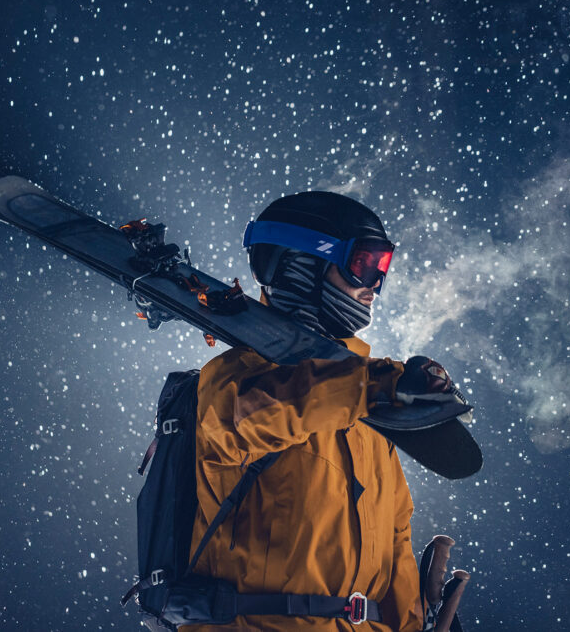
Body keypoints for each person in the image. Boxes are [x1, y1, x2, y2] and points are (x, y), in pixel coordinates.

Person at [183, 191, 466, 631]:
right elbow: (254, 419)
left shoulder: (373, 422)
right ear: (298, 263)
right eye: (364, 264)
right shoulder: (235, 380)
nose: (373, 284)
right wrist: (376, 383)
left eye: (382, 268)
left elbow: (395, 545)